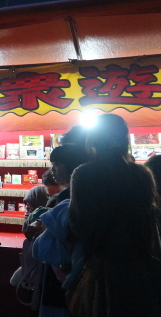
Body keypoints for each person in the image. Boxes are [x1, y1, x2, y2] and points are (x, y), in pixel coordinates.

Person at [68, 113, 161, 316]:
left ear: (92, 140)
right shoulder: (142, 173)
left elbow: (80, 226)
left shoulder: (84, 174)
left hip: (106, 263)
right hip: (142, 261)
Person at [30, 143, 90, 317]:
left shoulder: (67, 195)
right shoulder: (90, 192)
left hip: (63, 266)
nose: (53, 170)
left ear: (71, 165)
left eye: (57, 165)